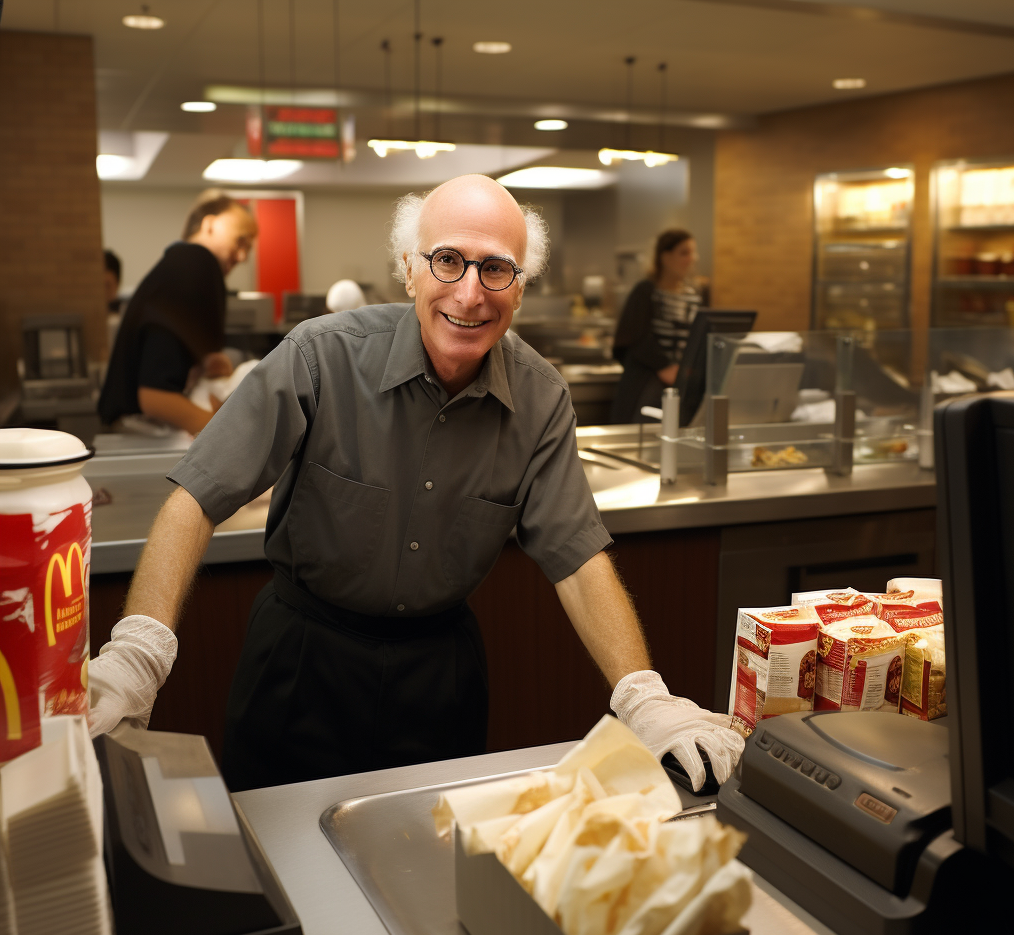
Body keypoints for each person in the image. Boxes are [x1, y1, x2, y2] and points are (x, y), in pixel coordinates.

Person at [86, 175, 743, 794]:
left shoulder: (540, 397)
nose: (469, 293)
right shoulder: (321, 357)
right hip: (301, 664)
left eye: (496, 269)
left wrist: (642, 694)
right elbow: (195, 500)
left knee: (428, 871)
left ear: (519, 287)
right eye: (448, 260)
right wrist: (139, 653)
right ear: (409, 267)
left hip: (440, 678)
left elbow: (577, 557)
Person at [98, 191, 257, 435]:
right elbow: (155, 395)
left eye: (249, 247)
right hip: (137, 432)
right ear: (210, 225)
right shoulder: (197, 262)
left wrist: (205, 360)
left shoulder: (177, 266)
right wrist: (225, 434)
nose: (243, 256)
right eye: (240, 240)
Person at [609, 229, 702, 424]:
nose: (693, 259)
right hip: (646, 381)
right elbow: (633, 336)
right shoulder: (646, 291)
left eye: (692, 252)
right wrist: (664, 366)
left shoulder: (694, 295)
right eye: (684, 253)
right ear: (665, 257)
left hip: (682, 383)